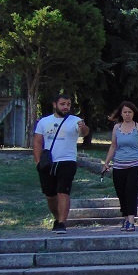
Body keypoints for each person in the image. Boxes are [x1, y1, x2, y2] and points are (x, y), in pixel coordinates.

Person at [33, 93, 90, 235]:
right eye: (62, 104)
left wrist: (83, 127)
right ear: (55, 105)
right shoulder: (44, 122)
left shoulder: (75, 120)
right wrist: (38, 162)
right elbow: (37, 142)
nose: (66, 107)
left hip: (67, 161)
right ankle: (57, 218)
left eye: (68, 104)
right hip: (48, 163)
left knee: (63, 192)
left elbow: (84, 132)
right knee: (50, 195)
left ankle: (62, 223)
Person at [101, 101, 138, 232]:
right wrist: (106, 162)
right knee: (121, 193)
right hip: (119, 165)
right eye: (125, 112)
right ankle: (126, 218)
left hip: (135, 164)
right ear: (121, 114)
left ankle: (131, 221)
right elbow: (113, 146)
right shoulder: (116, 128)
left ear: (134, 113)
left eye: (130, 112)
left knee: (131, 192)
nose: (127, 114)